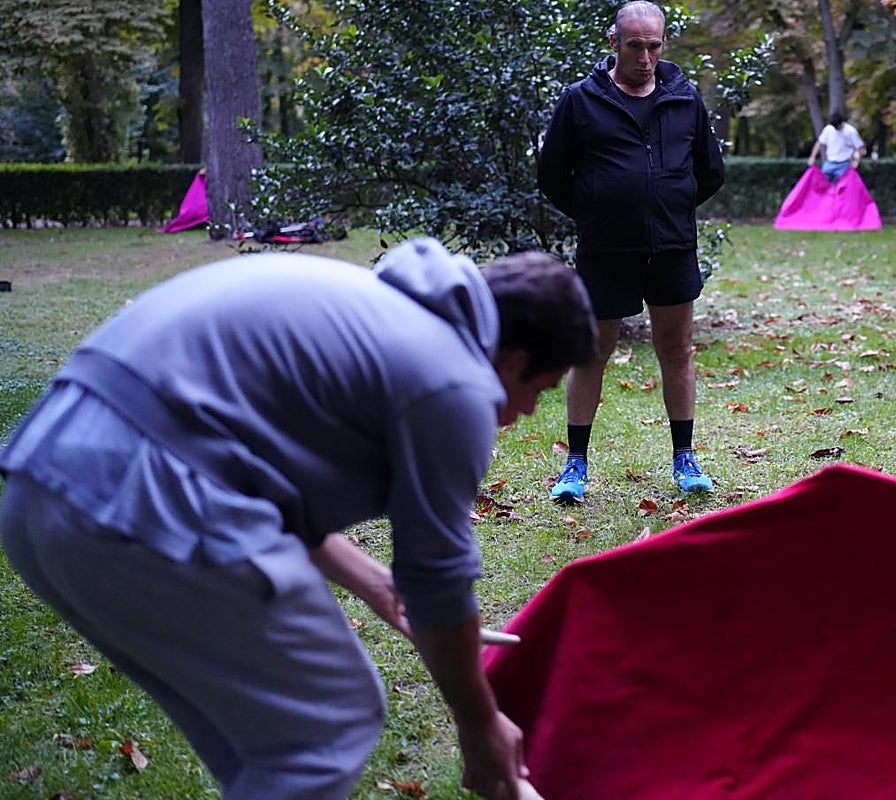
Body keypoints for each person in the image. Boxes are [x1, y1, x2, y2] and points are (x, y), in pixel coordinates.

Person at [0, 238, 597, 800]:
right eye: (539, 391)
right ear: (514, 359)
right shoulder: (453, 381)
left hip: (43, 484)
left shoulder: (379, 312)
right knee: (331, 722)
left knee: (269, 748)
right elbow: (439, 583)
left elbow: (239, 463)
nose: (523, 412)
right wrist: (480, 721)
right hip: (137, 499)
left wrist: (375, 584)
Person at [537, 0, 725, 504]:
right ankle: (574, 465)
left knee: (676, 349)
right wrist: (598, 211)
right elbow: (552, 175)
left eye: (654, 45)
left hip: (671, 248)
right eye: (635, 45)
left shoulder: (685, 98)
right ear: (614, 41)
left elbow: (710, 171)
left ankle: (685, 457)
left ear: (664, 44)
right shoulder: (580, 100)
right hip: (606, 249)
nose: (645, 56)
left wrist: (672, 205)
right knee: (592, 352)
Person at [808, 110, 864, 184]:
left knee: (843, 186)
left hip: (844, 164)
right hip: (829, 163)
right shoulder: (828, 129)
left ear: (842, 122)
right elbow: (819, 143)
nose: (836, 128)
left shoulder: (850, 131)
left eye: (838, 126)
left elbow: (859, 147)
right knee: (822, 183)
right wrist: (812, 157)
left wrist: (856, 161)